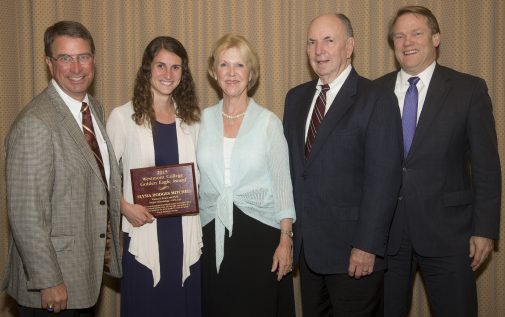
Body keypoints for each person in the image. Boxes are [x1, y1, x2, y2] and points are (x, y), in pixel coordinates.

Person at [374, 5, 501, 317]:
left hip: (449, 233)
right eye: (399, 36)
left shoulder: (468, 90)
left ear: (436, 38)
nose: (407, 42)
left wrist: (484, 229)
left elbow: (486, 166)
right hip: (388, 235)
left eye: (416, 33)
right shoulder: (374, 92)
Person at [283, 13, 403, 316]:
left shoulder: (376, 98)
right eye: (312, 42)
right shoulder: (295, 99)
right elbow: (295, 173)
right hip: (309, 253)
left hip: (354, 255)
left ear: (349, 47)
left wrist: (367, 246)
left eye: (328, 40)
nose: (318, 50)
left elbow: (384, 180)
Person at [3, 21, 122, 316]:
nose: (76, 67)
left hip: (83, 275)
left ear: (93, 59)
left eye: (83, 56)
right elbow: (26, 213)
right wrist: (49, 280)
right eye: (65, 58)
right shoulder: (35, 123)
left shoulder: (93, 108)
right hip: (53, 286)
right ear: (48, 63)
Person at [197, 34, 296, 317]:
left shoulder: (268, 123)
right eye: (224, 65)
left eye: (239, 65)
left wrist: (286, 238)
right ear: (214, 72)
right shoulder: (200, 120)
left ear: (251, 73)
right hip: (211, 232)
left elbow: (282, 185)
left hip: (260, 237)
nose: (231, 73)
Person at [106, 36, 203, 316]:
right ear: (147, 68)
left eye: (176, 67)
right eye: (161, 65)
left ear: (183, 74)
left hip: (184, 234)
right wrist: (124, 208)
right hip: (143, 232)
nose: (168, 74)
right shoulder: (123, 118)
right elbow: (103, 177)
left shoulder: (193, 120)